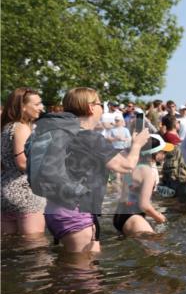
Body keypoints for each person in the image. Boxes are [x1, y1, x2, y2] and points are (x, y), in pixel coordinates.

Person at [32, 87, 149, 253]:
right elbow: (126, 166)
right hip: (76, 212)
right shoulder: (90, 137)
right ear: (91, 107)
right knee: (83, 274)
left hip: (55, 209)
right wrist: (137, 144)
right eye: (100, 103)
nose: (102, 107)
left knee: (81, 266)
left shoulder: (63, 133)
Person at [1, 88, 47, 235]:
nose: (42, 107)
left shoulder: (4, 128)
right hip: (26, 194)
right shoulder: (21, 127)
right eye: (37, 104)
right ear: (23, 107)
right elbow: (22, 163)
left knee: (12, 248)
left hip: (5, 194)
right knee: (35, 247)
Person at [112, 134, 170, 236]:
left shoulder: (132, 166)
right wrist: (159, 217)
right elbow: (144, 206)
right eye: (163, 152)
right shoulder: (148, 172)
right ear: (155, 153)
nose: (165, 155)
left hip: (119, 215)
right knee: (155, 249)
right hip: (134, 218)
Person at [159, 114, 186, 205]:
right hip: (177, 173)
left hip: (172, 172)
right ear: (174, 124)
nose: (179, 123)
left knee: (178, 201)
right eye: (178, 122)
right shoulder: (171, 136)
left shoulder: (168, 135)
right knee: (184, 200)